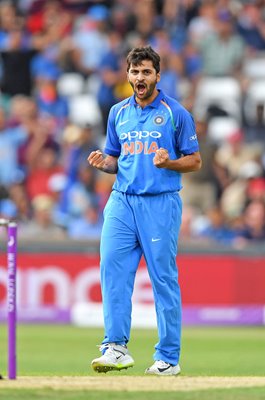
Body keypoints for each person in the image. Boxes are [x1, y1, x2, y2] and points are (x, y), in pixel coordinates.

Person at [87, 46, 202, 376]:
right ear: (128, 75)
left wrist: (169, 162)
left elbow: (194, 160)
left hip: (160, 202)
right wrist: (102, 163)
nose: (140, 78)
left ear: (157, 76)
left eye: (146, 72)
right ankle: (115, 347)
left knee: (162, 279)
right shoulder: (118, 113)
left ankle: (168, 358)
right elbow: (115, 159)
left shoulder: (174, 112)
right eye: (135, 72)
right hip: (121, 200)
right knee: (112, 270)